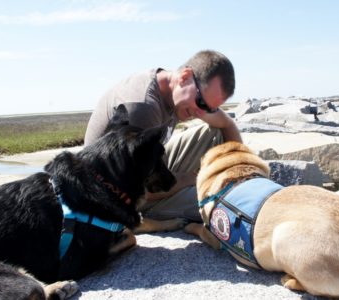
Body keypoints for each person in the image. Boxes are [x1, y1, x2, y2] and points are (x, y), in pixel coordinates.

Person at [84, 50, 242, 222]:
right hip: (118, 196)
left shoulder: (174, 91)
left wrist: (241, 171)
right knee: (223, 203)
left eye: (210, 109)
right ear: (185, 76)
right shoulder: (143, 108)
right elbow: (145, 190)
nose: (200, 113)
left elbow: (226, 124)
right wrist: (192, 179)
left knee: (215, 131)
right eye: (201, 103)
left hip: (147, 168)